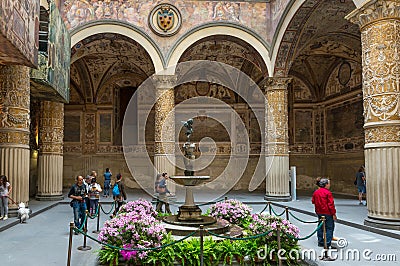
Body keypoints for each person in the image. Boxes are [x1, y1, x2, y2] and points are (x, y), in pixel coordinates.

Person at [312, 177, 337, 248]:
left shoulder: (316, 192)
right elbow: (331, 204)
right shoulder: (328, 193)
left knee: (320, 226)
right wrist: (333, 214)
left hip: (319, 212)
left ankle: (320, 241)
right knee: (329, 227)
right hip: (327, 212)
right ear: (326, 184)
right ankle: (327, 243)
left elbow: (313, 201)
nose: (329, 185)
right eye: (329, 184)